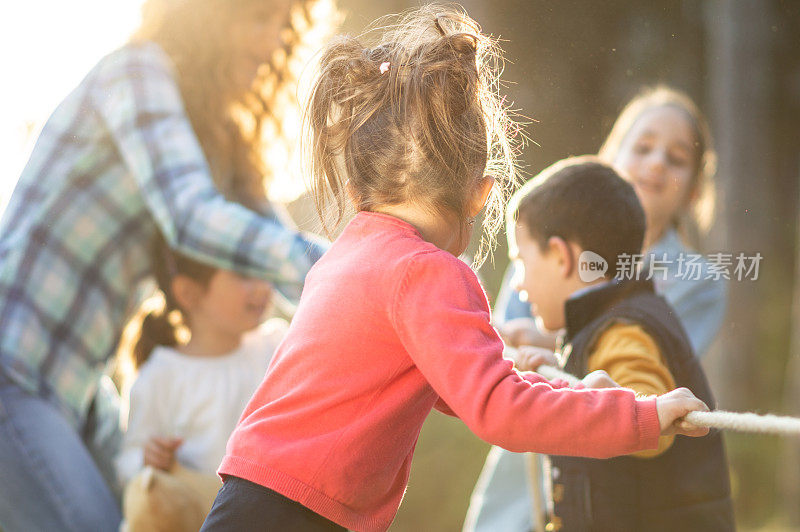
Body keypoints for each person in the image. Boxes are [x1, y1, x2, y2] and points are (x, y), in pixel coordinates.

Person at [199, 7, 711, 532]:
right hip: (298, 513)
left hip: (252, 495)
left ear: (358, 189)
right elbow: (497, 408)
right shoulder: (427, 271)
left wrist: (575, 392)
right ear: (478, 194)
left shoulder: (349, 255)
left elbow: (459, 382)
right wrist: (641, 418)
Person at [0, 0, 332, 530]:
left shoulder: (207, 131)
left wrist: (390, 295)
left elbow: (277, 242)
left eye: (283, 26)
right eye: (259, 17)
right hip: (13, 369)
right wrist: (345, 272)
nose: (272, 40)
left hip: (79, 392)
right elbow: (191, 215)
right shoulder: (136, 72)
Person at [465, 86, 727, 532]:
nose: (657, 162)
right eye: (643, 147)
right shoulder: (542, 233)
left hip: (618, 484)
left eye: (676, 158)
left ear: (694, 191)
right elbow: (509, 336)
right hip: (531, 465)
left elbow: (646, 368)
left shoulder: (694, 280)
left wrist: (555, 356)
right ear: (612, 153)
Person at [511, 156, 734, 530]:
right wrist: (557, 373)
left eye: (521, 261)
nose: (518, 283)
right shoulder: (609, 324)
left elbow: (645, 419)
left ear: (561, 256)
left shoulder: (624, 331)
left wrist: (559, 388)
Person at [116, 238, 287, 531]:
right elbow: (127, 465)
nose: (262, 285)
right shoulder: (162, 374)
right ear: (188, 292)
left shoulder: (275, 346)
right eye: (243, 275)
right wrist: (147, 458)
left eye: (261, 269)